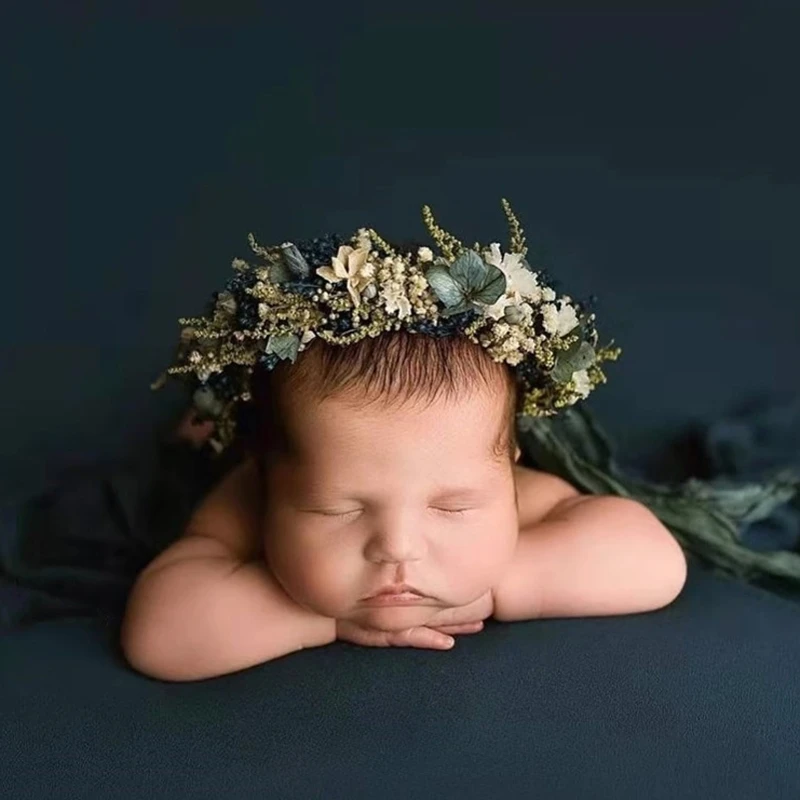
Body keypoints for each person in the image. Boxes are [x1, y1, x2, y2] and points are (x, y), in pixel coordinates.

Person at [120, 202, 687, 681]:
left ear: (507, 468)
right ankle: (205, 427)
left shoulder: (515, 489)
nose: (398, 547)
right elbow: (161, 635)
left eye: (453, 507)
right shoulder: (245, 499)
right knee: (190, 452)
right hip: (239, 448)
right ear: (268, 476)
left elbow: (654, 562)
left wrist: (497, 586)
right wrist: (326, 619)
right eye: (338, 509)